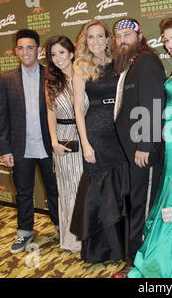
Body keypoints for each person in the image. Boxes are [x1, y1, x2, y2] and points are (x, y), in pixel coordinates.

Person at [127, 14, 172, 278]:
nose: (170, 44)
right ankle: (168, 259)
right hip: (171, 143)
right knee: (170, 205)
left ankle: (170, 265)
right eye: (166, 40)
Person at [69, 20, 129, 263]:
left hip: (119, 131)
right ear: (85, 41)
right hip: (95, 131)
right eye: (90, 37)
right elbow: (77, 108)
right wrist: (85, 143)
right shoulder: (81, 66)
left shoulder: (119, 63)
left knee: (119, 186)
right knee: (98, 189)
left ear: (107, 39)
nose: (95, 41)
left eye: (99, 36)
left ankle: (122, 247)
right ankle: (100, 250)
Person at [0, 29, 59, 254]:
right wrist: (5, 149)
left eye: (30, 47)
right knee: (23, 192)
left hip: (48, 146)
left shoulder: (52, 75)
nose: (25, 52)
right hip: (20, 148)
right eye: (21, 48)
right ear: (15, 51)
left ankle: (61, 229)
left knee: (55, 190)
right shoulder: (6, 79)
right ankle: (24, 233)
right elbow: (2, 117)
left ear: (39, 50)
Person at [113, 18, 166, 270]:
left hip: (144, 151)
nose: (122, 39)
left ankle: (137, 263)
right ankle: (136, 257)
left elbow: (153, 103)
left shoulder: (146, 60)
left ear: (139, 35)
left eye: (127, 34)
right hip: (132, 151)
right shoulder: (130, 63)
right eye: (118, 36)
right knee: (137, 205)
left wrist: (145, 144)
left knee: (143, 209)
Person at [45, 35, 89, 252]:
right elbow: (50, 114)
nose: (58, 58)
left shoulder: (86, 76)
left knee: (85, 189)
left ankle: (88, 238)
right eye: (53, 54)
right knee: (68, 189)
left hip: (87, 138)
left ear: (72, 53)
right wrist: (53, 142)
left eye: (61, 52)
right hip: (64, 138)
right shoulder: (52, 82)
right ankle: (72, 240)